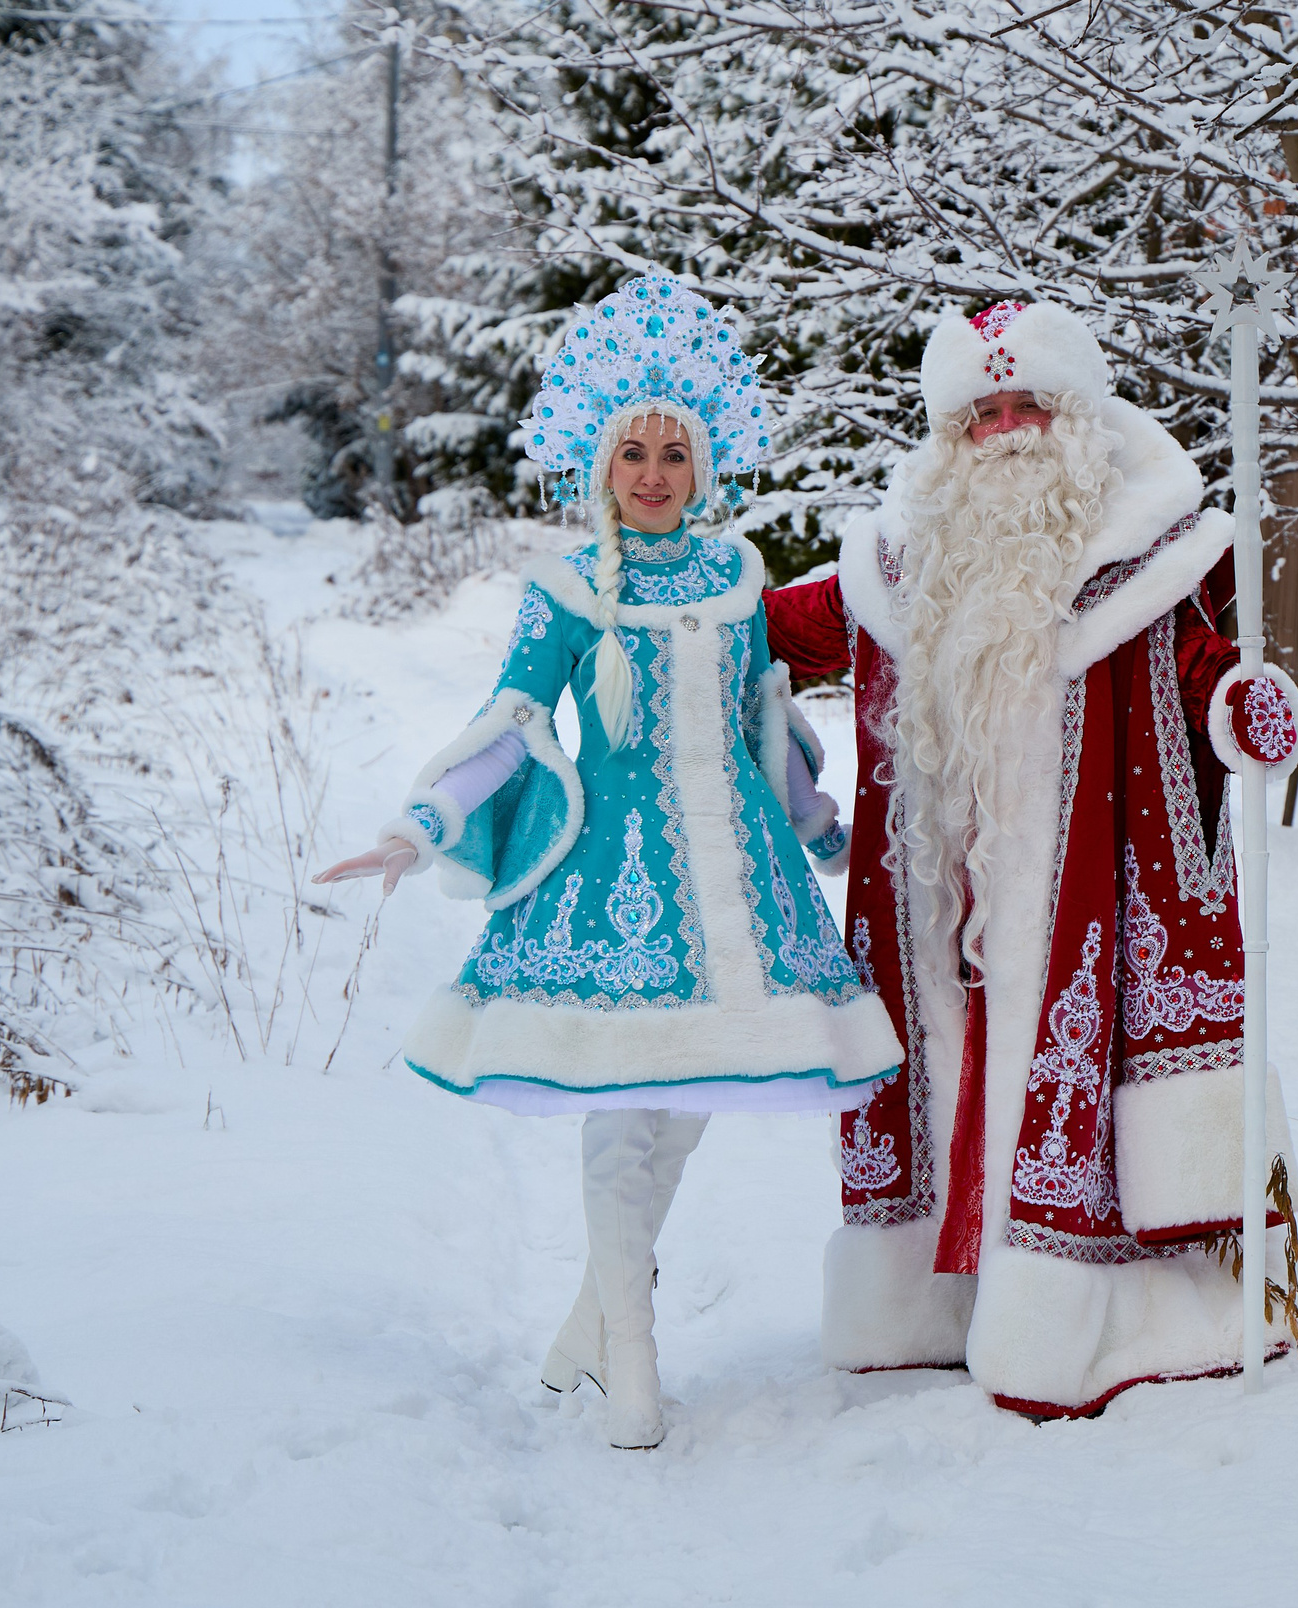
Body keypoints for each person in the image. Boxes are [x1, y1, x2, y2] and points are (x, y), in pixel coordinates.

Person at [315, 277, 901, 1449]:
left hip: (740, 890)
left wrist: (820, 827)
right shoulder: (569, 585)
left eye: (671, 453)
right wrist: (422, 823)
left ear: (702, 464)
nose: (651, 475)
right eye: (631, 453)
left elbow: (762, 723)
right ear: (600, 465)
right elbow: (512, 718)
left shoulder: (738, 578)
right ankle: (633, 1367)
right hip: (613, 891)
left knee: (683, 1109)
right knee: (620, 1111)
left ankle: (593, 1317)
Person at [761, 300, 1298, 1419]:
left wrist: (1244, 707)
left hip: (1078, 904)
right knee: (947, 1084)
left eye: (1028, 407)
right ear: (948, 436)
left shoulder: (1152, 561)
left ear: (1076, 418)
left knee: (1045, 1088)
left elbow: (1206, 670)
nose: (1005, 430)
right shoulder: (896, 564)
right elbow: (769, 630)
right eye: (981, 413)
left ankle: (1073, 1310)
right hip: (932, 907)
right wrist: (652, 594)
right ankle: (933, 1302)